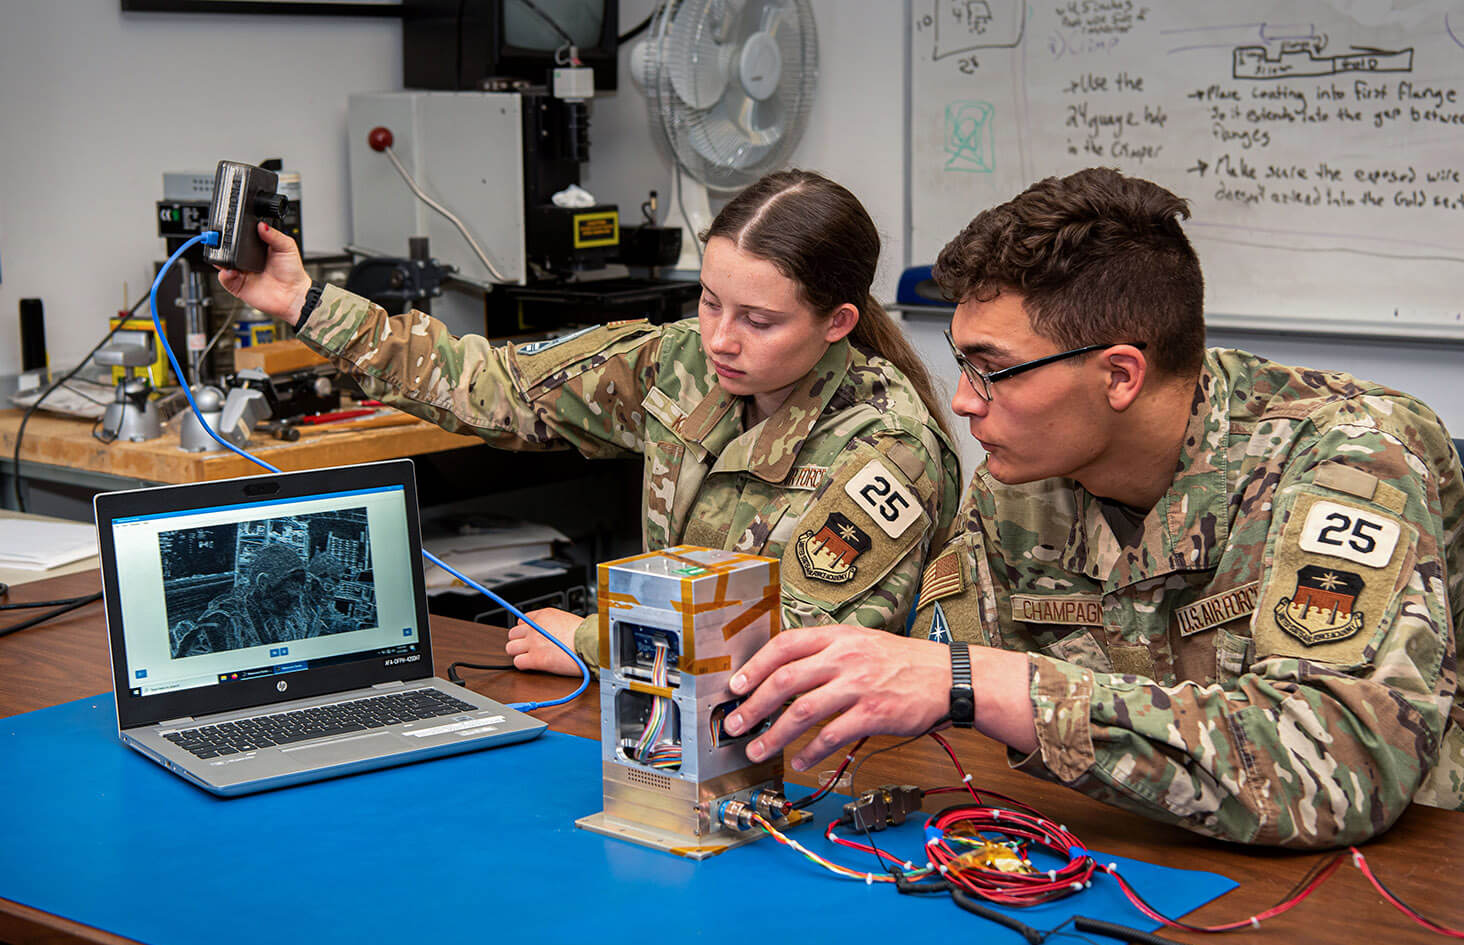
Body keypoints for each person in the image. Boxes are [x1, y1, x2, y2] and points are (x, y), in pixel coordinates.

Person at [720, 167, 1464, 849]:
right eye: (961, 362)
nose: (961, 403)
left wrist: (979, 682)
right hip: (1124, 840)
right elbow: (935, 700)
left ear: (1120, 375)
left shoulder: (1349, 459)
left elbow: (1340, 763)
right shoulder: (1018, 478)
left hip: (1407, 873)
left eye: (994, 371)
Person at [218, 170, 961, 673]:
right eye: (709, 301)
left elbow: (790, 643)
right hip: (669, 717)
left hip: (812, 764)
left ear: (837, 322)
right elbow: (495, 385)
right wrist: (307, 305)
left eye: (759, 320)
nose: (719, 339)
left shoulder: (888, 448)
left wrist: (588, 639)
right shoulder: (685, 362)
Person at [172, 542, 311, 656]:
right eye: (286, 597)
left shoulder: (289, 621)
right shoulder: (222, 623)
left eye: (297, 597)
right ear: (262, 583)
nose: (295, 605)